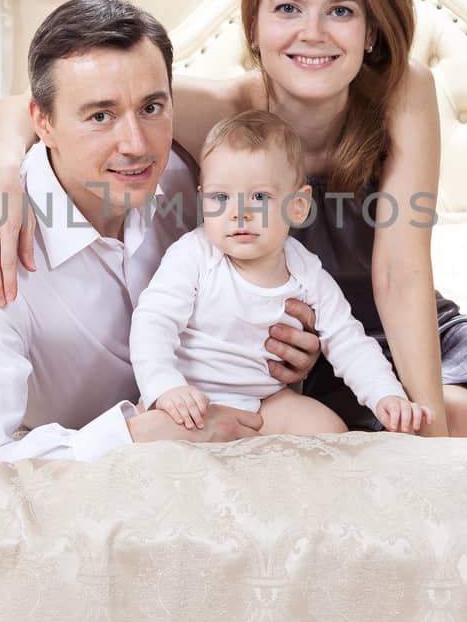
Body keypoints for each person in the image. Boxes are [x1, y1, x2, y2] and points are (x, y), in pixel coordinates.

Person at [0, 0, 467, 439]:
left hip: (403, 321)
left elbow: (401, 272)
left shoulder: (405, 92)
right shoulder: (219, 111)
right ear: (254, 26)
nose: (312, 33)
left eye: (340, 12)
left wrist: (423, 425)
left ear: (372, 30)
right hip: (291, 348)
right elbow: (28, 106)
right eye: (288, 8)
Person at [0, 0, 322, 465]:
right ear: (42, 123)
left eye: (152, 108)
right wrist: (138, 435)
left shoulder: (199, 181)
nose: (136, 145)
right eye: (100, 116)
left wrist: (279, 351)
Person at [133, 109, 434, 436]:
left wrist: (385, 395)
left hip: (264, 401)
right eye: (221, 197)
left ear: (298, 207)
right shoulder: (194, 254)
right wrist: (164, 386)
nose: (239, 214)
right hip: (191, 397)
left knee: (330, 431)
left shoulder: (305, 270)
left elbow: (348, 340)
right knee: (157, 439)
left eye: (259, 196)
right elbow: (154, 321)